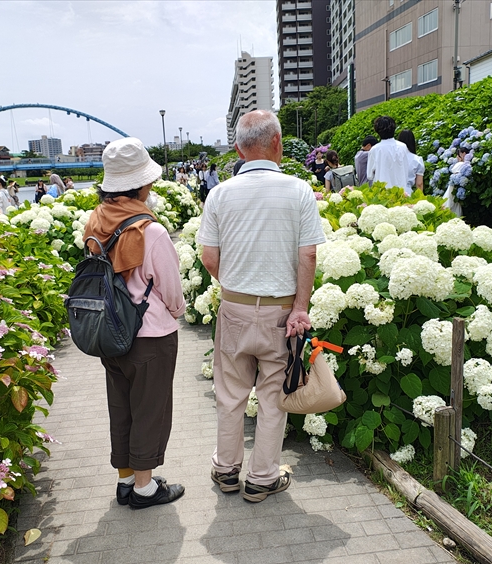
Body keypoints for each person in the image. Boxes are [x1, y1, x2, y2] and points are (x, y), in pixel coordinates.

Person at [197, 110, 325, 503]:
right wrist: (300, 307)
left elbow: (208, 257)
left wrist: (237, 285)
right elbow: (308, 256)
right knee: (272, 397)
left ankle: (226, 470)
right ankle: (262, 478)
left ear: (238, 149)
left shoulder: (219, 194)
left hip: (234, 308)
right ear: (277, 143)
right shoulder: (299, 191)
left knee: (230, 394)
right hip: (281, 312)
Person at [82, 137, 186, 509]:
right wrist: (177, 312)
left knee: (121, 407)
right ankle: (145, 489)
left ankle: (126, 481)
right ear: (141, 185)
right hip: (150, 337)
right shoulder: (150, 232)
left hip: (108, 333)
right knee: (150, 410)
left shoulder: (95, 222)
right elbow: (171, 289)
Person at [366, 116, 411, 194]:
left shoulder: (375, 150)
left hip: (383, 193)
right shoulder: (403, 147)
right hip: (401, 192)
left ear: (377, 131)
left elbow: (369, 175)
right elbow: (407, 168)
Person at [442, 147, 469, 217]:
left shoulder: (460, 164)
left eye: (458, 154)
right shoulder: (468, 165)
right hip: (459, 188)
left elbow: (453, 170)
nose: (457, 157)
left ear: (463, 154)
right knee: (456, 205)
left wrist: (460, 161)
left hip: (453, 187)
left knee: (450, 202)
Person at [397, 130, 425, 195]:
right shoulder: (417, 159)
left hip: (393, 191)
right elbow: (419, 184)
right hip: (408, 192)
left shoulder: (394, 157)